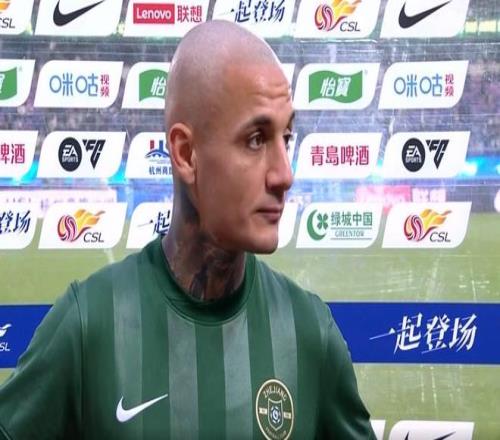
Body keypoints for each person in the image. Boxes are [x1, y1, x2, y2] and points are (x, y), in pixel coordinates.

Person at [0, 21, 376, 439]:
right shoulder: (89, 324)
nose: (284, 174)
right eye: (256, 139)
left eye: (285, 137)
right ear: (185, 153)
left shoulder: (309, 332)